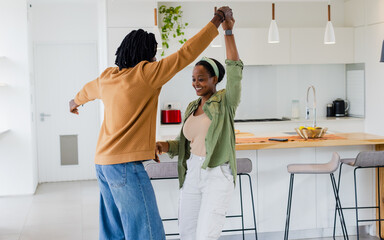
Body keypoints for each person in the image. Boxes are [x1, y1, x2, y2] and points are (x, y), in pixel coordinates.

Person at [68, 6, 233, 240]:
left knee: (114, 233)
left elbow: (85, 91)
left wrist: (74, 102)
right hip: (125, 165)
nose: (155, 57)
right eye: (153, 53)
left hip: (102, 164)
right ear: (146, 54)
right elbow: (187, 52)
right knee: (147, 232)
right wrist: (217, 20)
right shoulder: (147, 73)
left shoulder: (108, 77)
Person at [155, 14, 242, 240]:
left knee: (206, 235)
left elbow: (234, 69)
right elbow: (184, 144)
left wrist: (228, 31)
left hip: (217, 173)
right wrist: (164, 146)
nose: (196, 83)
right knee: (187, 232)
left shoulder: (225, 102)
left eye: (201, 79)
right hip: (192, 172)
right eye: (193, 79)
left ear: (214, 79)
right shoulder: (192, 107)